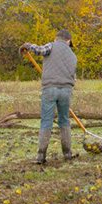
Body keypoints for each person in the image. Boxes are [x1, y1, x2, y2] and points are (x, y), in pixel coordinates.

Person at [20, 29, 79, 164]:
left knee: (46, 120)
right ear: (68, 41)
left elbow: (39, 50)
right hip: (66, 90)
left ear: (56, 38)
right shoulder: (73, 56)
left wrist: (28, 46)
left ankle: (41, 155)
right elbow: (73, 78)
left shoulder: (51, 46)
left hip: (50, 88)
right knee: (64, 121)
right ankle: (67, 153)